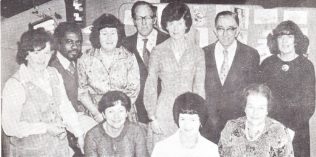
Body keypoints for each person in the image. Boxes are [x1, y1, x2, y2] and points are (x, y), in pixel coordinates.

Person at [1, 28, 84, 156]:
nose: (42, 59)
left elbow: (65, 107)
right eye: (36, 53)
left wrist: (79, 134)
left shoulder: (53, 74)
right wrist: (45, 127)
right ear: (26, 54)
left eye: (46, 53)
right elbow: (9, 127)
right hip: (30, 152)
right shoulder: (15, 84)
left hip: (59, 149)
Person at [144, 2, 205, 152]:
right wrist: (152, 117)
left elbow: (199, 87)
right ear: (166, 25)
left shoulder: (197, 52)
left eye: (179, 23)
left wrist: (199, 117)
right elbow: (151, 84)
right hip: (163, 112)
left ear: (186, 25)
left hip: (188, 113)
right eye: (171, 23)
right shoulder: (158, 51)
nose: (175, 28)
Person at [202, 11, 260, 144]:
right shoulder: (203, 54)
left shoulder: (251, 55)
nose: (225, 33)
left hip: (239, 129)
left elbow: (254, 94)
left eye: (230, 29)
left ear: (237, 30)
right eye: (220, 29)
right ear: (214, 31)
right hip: (208, 128)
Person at [260, 20, 315, 157]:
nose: (285, 41)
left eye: (289, 37)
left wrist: (288, 131)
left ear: (296, 40)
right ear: (275, 40)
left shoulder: (306, 66)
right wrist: (272, 127)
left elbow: (309, 104)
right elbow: (261, 98)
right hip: (270, 129)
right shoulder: (267, 64)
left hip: (297, 132)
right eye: (280, 37)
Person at [77, 14, 140, 123]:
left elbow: (133, 90)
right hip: (95, 114)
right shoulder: (85, 59)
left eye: (113, 33)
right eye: (104, 33)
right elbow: (82, 91)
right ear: (98, 36)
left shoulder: (129, 57)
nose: (109, 38)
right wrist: (96, 113)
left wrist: (119, 113)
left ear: (118, 34)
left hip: (124, 113)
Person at [49, 22, 97, 157]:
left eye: (78, 42)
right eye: (69, 42)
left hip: (81, 117)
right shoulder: (51, 68)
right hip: (63, 124)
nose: (75, 46)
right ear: (58, 43)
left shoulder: (80, 62)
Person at [122, 0, 169, 125]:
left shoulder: (168, 41)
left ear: (154, 19)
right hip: (136, 111)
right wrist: (129, 106)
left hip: (164, 109)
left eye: (147, 17)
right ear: (133, 21)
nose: (143, 23)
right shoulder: (125, 45)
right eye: (139, 18)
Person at [218, 84, 294, 157]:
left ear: (267, 110)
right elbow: (222, 153)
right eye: (251, 107)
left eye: (261, 108)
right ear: (245, 108)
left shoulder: (279, 132)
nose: (255, 113)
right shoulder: (231, 127)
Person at [151, 92, 219, 157]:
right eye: (182, 119)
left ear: (201, 121)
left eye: (192, 120)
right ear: (177, 119)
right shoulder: (162, 149)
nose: (187, 125)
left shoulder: (211, 150)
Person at [84, 91, 148, 157]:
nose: (116, 116)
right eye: (111, 111)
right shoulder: (92, 135)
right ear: (103, 114)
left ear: (126, 113)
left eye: (121, 111)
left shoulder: (136, 131)